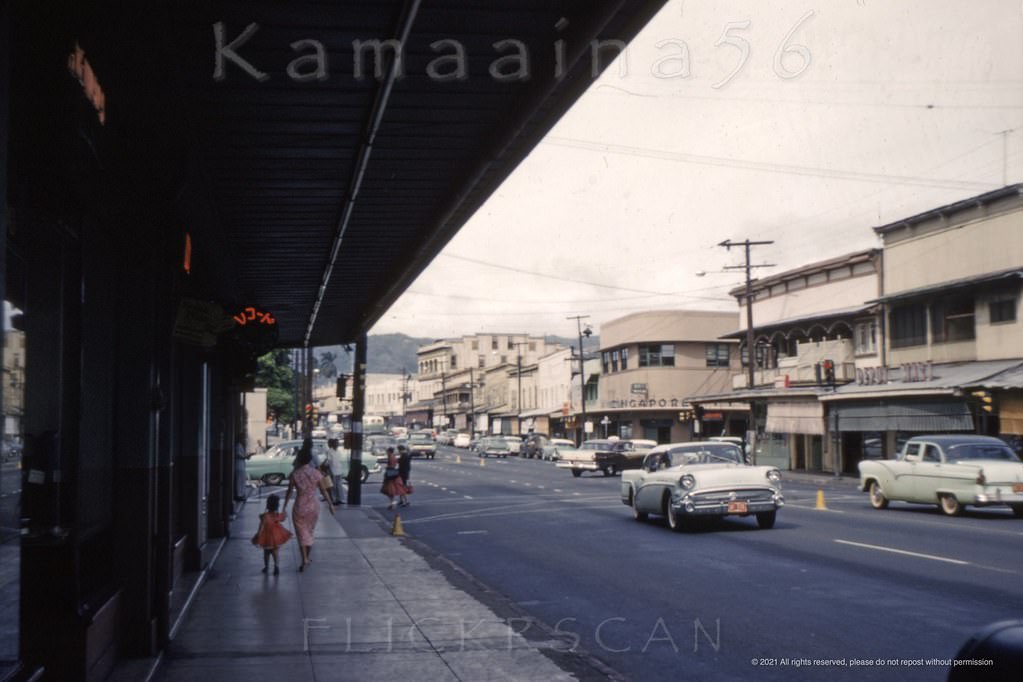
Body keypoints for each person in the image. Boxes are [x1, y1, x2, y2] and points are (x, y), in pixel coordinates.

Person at [283, 438, 334, 571]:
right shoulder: (316, 473)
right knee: (310, 532)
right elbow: (323, 491)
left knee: (301, 533)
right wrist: (331, 504)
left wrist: (284, 507)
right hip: (313, 506)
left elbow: (289, 492)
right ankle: (307, 557)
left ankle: (304, 558)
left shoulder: (295, 474)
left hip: (300, 506)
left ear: (299, 460)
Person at [251, 493, 292, 575]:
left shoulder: (264, 516)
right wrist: (284, 512)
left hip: (266, 538)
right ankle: (276, 566)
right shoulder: (276, 516)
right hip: (276, 538)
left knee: (266, 553)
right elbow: (283, 518)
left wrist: (258, 535)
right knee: (275, 552)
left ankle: (266, 567)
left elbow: (261, 527)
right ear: (277, 506)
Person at [326, 437, 349, 506]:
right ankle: (334, 499)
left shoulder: (338, 451)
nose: (337, 445)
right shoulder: (330, 451)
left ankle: (340, 499)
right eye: (335, 443)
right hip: (333, 471)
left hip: (339, 470)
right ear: (333, 444)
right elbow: (329, 461)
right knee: (334, 487)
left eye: (337, 443)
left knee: (339, 486)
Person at [234, 433, 252, 502]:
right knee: (239, 480)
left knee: (241, 480)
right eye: (244, 438)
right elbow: (239, 455)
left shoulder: (240, 445)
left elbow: (243, 455)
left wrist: (247, 456)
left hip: (241, 464)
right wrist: (246, 456)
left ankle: (241, 494)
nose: (245, 440)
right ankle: (239, 495)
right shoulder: (238, 446)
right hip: (239, 465)